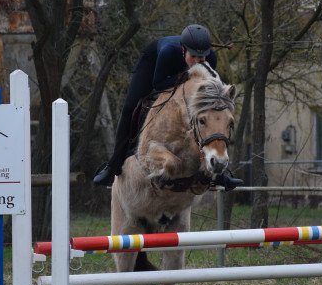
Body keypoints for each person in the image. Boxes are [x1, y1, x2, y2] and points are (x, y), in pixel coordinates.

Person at [93, 24, 243, 191]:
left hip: (181, 75)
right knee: (129, 107)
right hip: (153, 67)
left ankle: (221, 174)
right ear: (183, 50)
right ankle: (113, 165)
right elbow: (158, 84)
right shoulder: (168, 52)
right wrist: (185, 76)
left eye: (202, 58)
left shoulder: (210, 58)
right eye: (193, 56)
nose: (198, 62)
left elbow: (210, 97)